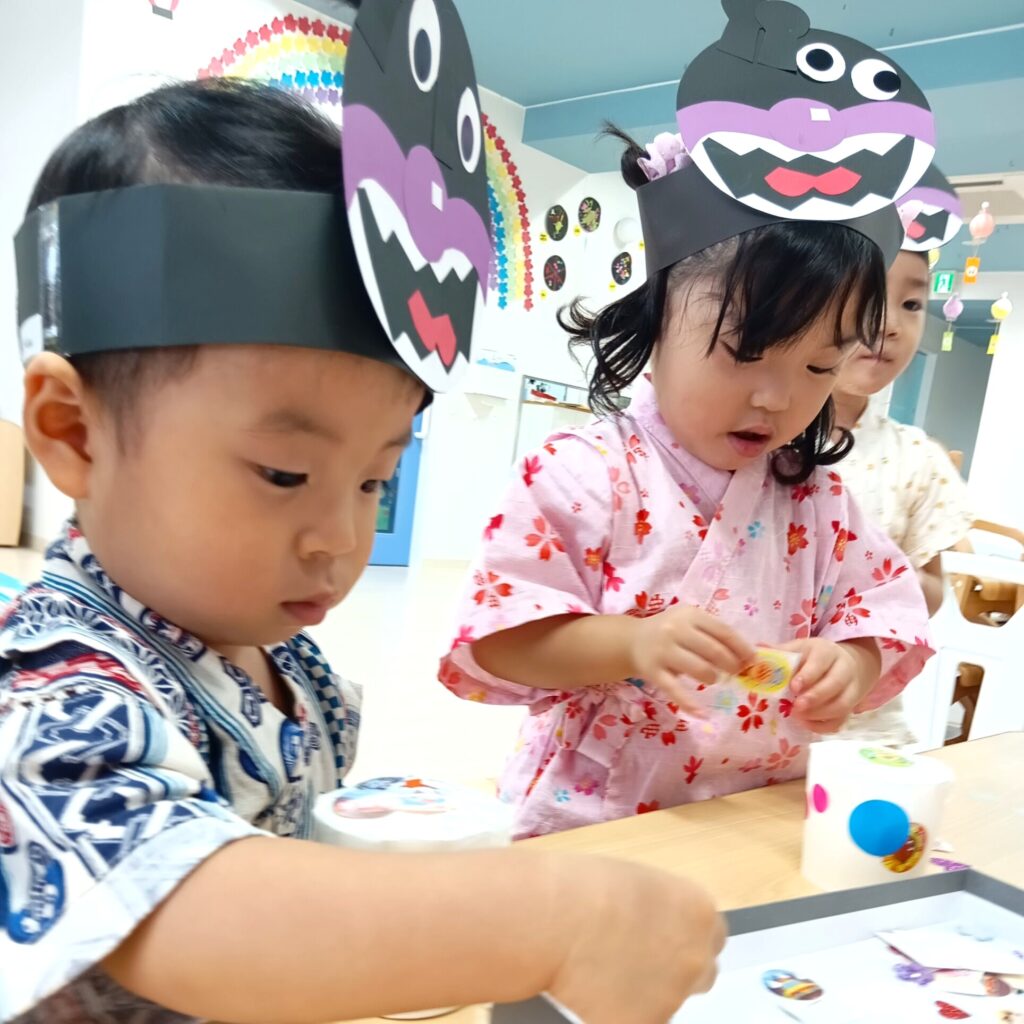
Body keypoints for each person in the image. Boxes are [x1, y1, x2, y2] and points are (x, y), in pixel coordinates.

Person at [0, 78, 725, 1024]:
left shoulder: (278, 654)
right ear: (74, 434)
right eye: (284, 474)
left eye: (374, 479)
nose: (341, 539)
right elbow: (195, 910)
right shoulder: (51, 688)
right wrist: (552, 920)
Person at [438, 0, 940, 838]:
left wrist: (846, 665)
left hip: (758, 810)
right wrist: (628, 646)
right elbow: (495, 641)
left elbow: (883, 612)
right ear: (658, 319)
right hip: (596, 815)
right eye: (745, 352)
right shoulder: (582, 473)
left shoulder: (815, 500)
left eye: (819, 367)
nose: (777, 398)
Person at [833, 235, 974, 746]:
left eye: (911, 304)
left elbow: (934, 589)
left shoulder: (918, 459)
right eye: (865, 295)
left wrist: (883, 577)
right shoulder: (759, 436)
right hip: (755, 709)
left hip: (864, 718)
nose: (889, 323)